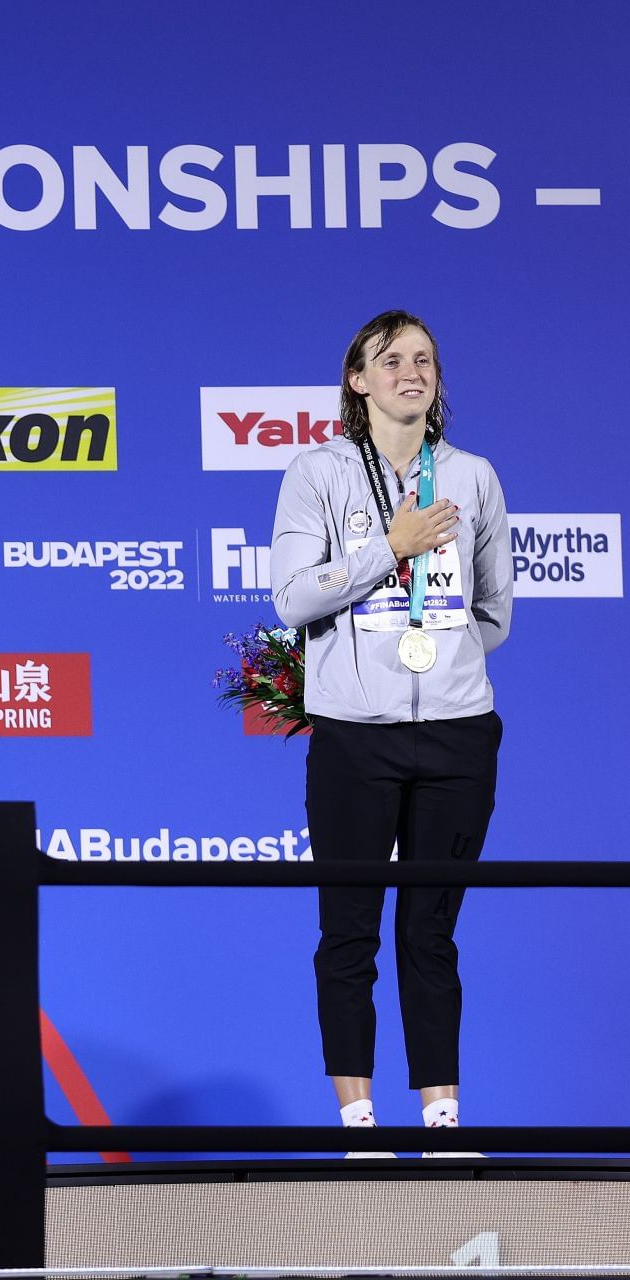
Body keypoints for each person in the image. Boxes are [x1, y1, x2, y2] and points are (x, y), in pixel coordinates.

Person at [270, 311, 511, 1157]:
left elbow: (493, 611)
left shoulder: (473, 477)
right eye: (392, 360)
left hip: (457, 736)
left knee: (432, 931)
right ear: (358, 380)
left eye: (426, 360)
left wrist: (435, 665)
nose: (413, 372)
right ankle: (359, 1130)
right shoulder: (318, 474)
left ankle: (443, 1126)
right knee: (350, 929)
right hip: (354, 741)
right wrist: (390, 548)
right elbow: (294, 601)